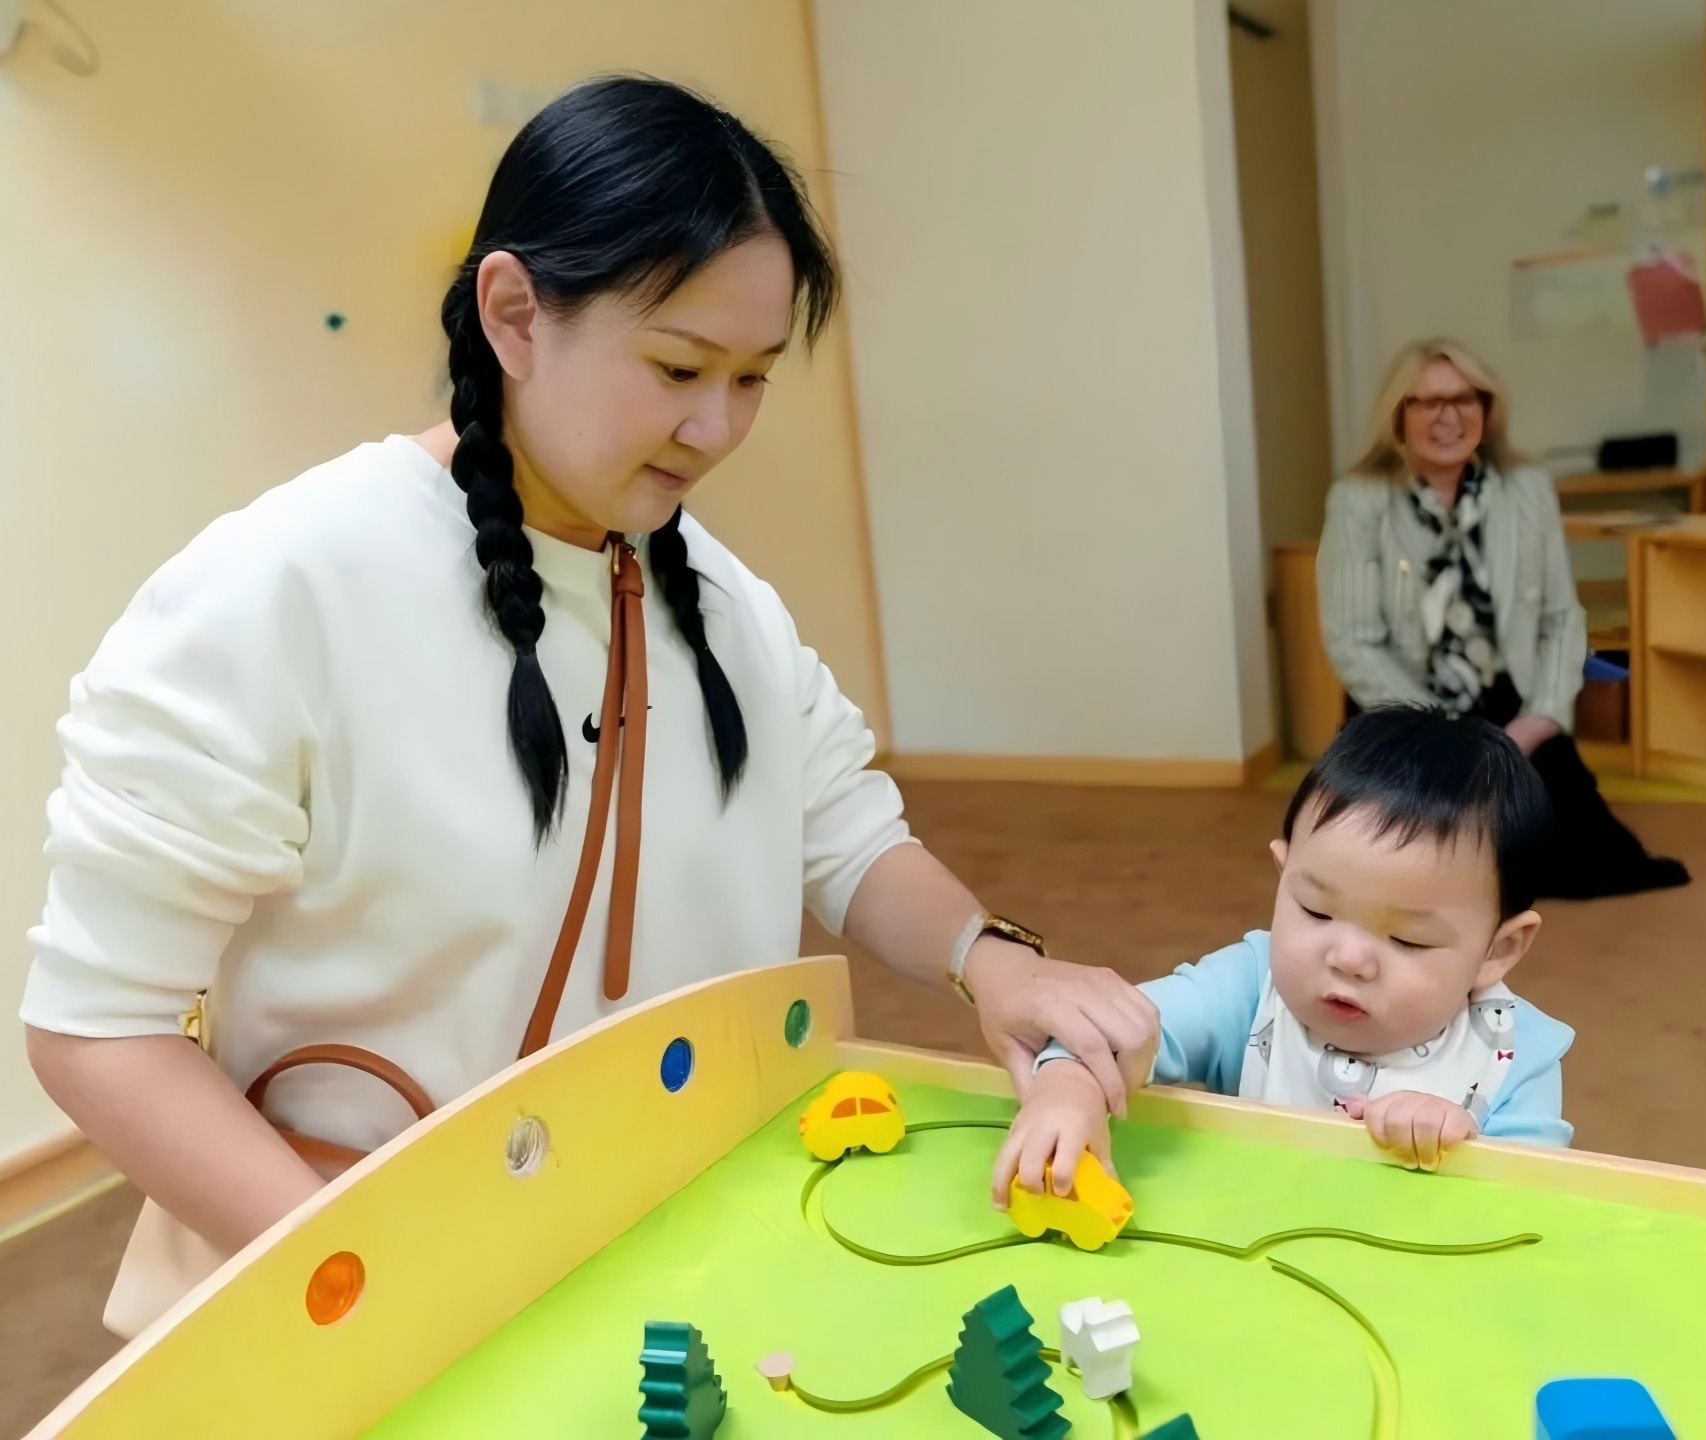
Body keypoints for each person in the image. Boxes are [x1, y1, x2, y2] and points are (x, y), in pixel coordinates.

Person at [19, 76, 1157, 1333]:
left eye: (754, 379)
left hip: (659, 1242)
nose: (717, 427)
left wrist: (985, 961)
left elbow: (843, 830)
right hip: (359, 1283)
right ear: (513, 312)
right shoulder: (276, 590)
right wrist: (380, 1280)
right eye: (679, 366)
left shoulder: (723, 600)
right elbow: (103, 1031)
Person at [994, 708, 1575, 1205]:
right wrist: (1066, 1088)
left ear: (1498, 950)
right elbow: (1106, 1028)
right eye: (1316, 911)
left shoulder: (1512, 1054)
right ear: (1283, 875)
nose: (1349, 958)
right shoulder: (1250, 987)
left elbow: (1542, 1209)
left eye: (1408, 941)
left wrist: (1460, 1146)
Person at [1316, 338, 1687, 900]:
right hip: (1402, 704)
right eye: (1428, 402)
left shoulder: (1527, 489)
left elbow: (1563, 617)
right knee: (1390, 866)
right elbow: (1353, 641)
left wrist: (1540, 718)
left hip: (1508, 699)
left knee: (1598, 865)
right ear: (1399, 416)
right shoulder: (1358, 499)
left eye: (1465, 399)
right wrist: (1446, 731)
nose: (1449, 417)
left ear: (1486, 412)